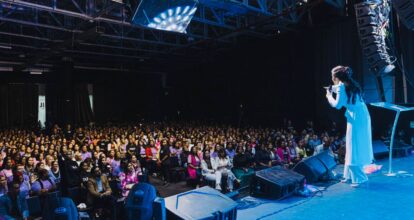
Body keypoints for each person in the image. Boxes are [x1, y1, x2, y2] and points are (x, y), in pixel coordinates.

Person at [326, 65, 373, 187]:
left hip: (357, 118)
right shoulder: (350, 84)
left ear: (336, 76)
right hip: (359, 115)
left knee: (354, 145)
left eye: (332, 76)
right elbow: (342, 91)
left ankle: (360, 178)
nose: (331, 78)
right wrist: (332, 89)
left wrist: (328, 95)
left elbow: (337, 105)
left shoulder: (342, 86)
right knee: (352, 144)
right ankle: (348, 175)